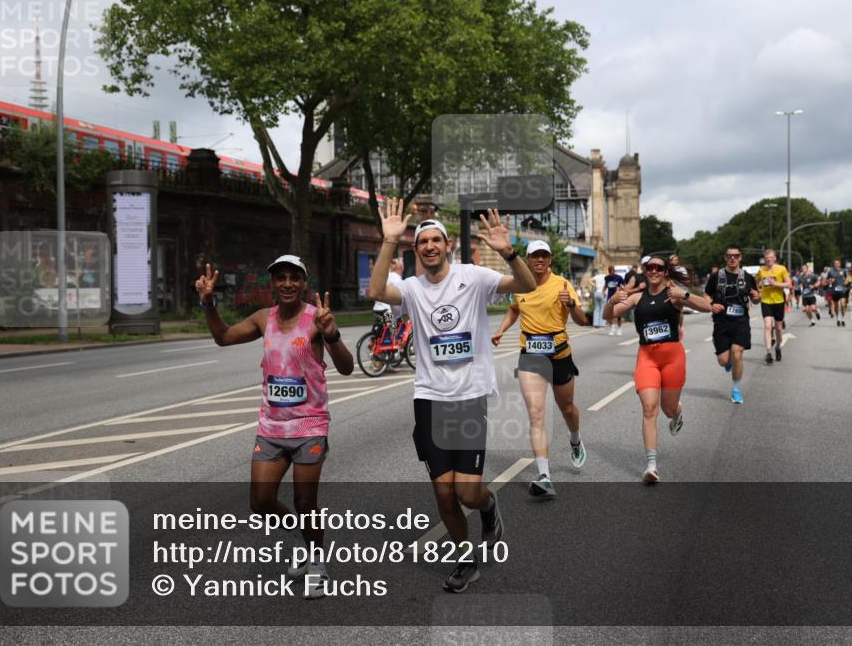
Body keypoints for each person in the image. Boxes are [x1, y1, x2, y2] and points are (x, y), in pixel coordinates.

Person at [369, 200, 536, 593]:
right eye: (422, 241)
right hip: (430, 399)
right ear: (416, 251)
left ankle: (488, 506)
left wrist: (508, 253)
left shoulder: (473, 277)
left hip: (469, 397)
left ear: (447, 246)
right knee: (443, 491)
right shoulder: (411, 288)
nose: (429, 246)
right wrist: (389, 241)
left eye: (435, 240)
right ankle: (465, 559)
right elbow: (375, 290)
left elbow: (527, 286)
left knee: (467, 491)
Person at [194, 255, 354, 599]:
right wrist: (208, 302)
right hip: (271, 425)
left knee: (304, 500)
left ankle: (317, 563)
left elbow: (346, 368)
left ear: (304, 283)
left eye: (293, 278)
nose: (286, 284)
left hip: (310, 424)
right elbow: (223, 337)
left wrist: (333, 334)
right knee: (261, 502)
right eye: (280, 278)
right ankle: (299, 536)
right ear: (273, 284)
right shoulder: (262, 319)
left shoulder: (317, 319)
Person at [491, 240, 589, 499]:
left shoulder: (563, 285)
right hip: (530, 355)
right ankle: (544, 476)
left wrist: (571, 305)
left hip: (559, 354)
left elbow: (583, 321)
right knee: (536, 414)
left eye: (544, 255)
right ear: (528, 258)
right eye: (535, 255)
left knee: (567, 408)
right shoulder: (520, 285)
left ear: (549, 260)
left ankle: (575, 439)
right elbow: (513, 310)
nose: (539, 260)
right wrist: (501, 329)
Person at [604, 255, 712, 483]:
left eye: (658, 268)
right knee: (649, 408)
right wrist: (612, 301)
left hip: (672, 357)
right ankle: (651, 466)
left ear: (664, 272)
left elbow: (707, 307)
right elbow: (608, 315)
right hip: (647, 358)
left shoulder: (673, 295)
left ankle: (677, 412)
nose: (653, 271)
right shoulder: (636, 298)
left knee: (668, 409)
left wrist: (684, 294)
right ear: (645, 271)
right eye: (649, 267)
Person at [702, 245, 760, 404]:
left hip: (741, 322)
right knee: (723, 360)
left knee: (737, 353)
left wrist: (756, 296)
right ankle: (728, 363)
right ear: (725, 258)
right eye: (729, 256)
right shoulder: (716, 276)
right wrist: (711, 305)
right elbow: (706, 295)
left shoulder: (748, 277)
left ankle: (736, 390)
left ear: (740, 257)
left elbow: (756, 298)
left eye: (735, 255)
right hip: (721, 322)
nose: (732, 258)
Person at [755, 249, 791, 364]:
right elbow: (755, 281)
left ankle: (778, 347)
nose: (768, 259)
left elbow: (789, 284)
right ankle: (768, 352)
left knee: (779, 329)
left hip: (779, 301)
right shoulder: (761, 270)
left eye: (770, 257)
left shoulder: (781, 269)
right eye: (766, 258)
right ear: (764, 260)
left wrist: (775, 284)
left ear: (774, 258)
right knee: (767, 326)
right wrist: (758, 291)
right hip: (766, 301)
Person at [603, 265, 625, 335]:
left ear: (614, 271)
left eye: (613, 271)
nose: (612, 273)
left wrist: (621, 289)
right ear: (609, 271)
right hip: (610, 297)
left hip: (617, 297)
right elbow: (606, 285)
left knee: (618, 314)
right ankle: (612, 327)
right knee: (610, 313)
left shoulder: (619, 277)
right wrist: (603, 291)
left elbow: (624, 285)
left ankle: (619, 328)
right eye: (610, 272)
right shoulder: (606, 278)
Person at [827, 259, 850, 327]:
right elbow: (827, 280)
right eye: (835, 263)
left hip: (842, 290)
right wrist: (831, 280)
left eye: (838, 263)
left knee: (843, 305)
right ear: (834, 264)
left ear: (840, 264)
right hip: (834, 291)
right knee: (836, 307)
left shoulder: (843, 270)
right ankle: (838, 319)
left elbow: (848, 278)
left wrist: (846, 281)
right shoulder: (831, 271)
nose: (837, 264)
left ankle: (843, 319)